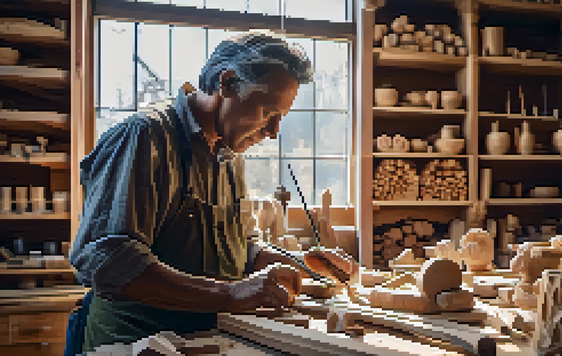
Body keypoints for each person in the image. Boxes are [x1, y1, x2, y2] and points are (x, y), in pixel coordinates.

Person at [69, 33, 357, 353]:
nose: (274, 132)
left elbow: (240, 249)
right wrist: (232, 295)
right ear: (229, 84)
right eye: (267, 112)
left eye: (281, 119)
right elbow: (110, 261)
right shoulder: (145, 137)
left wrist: (302, 263)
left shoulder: (229, 154)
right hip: (136, 344)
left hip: (203, 342)